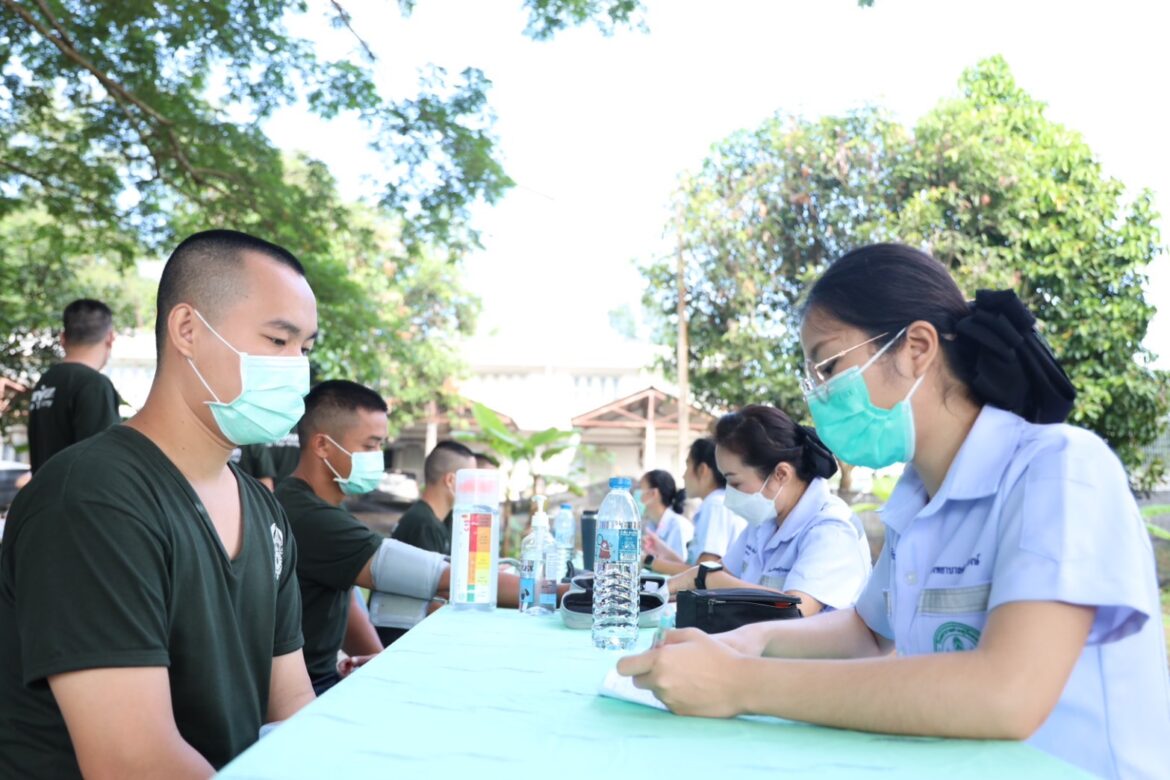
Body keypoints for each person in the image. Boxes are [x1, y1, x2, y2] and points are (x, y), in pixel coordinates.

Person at [617, 243, 1170, 779]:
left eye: (829, 366)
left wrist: (742, 682)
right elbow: (864, 630)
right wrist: (751, 639)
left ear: (917, 349)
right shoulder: (918, 496)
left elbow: (1007, 693)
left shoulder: (1059, 469)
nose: (820, 397)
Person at [0, 230, 317, 777]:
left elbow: (290, 707)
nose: (297, 367)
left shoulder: (266, 516)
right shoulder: (94, 500)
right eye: (278, 341)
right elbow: (133, 762)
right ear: (188, 330)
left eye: (306, 348)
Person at [280, 383, 535, 678]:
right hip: (306, 687)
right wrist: (552, 591)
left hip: (327, 674)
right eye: (369, 445)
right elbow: (442, 578)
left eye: (381, 445)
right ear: (322, 445)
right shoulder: (308, 515)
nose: (378, 455)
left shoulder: (326, 505)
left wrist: (378, 662)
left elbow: (346, 597)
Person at [661, 407, 870, 617]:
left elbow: (795, 611)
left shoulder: (832, 530)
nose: (729, 494)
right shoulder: (766, 521)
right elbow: (724, 570)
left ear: (780, 474)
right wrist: (662, 591)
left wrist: (707, 578)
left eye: (735, 482)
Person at [27, 298, 121, 474]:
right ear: (109, 338)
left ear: (62, 338)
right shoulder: (94, 384)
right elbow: (103, 461)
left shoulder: (45, 381)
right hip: (79, 500)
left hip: (41, 497)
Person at [644, 438, 747, 574]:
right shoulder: (715, 503)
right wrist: (663, 551)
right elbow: (694, 569)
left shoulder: (715, 505)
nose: (683, 475)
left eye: (687, 466)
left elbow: (704, 574)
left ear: (702, 470)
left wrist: (648, 562)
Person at [392, 440, 476, 554]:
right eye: (471, 479)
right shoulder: (424, 526)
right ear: (450, 480)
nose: (475, 486)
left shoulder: (441, 519)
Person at [635, 470, 693, 561]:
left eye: (640, 488)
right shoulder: (650, 524)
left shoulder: (678, 525)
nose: (636, 494)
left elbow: (682, 566)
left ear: (653, 493)